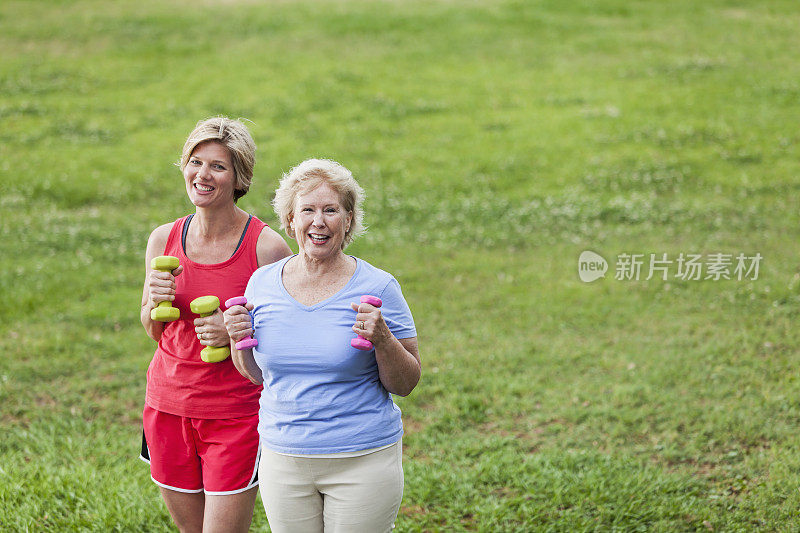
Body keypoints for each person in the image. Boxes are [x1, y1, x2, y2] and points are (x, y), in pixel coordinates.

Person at [223, 158, 421, 533]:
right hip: (284, 457)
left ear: (348, 220)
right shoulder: (261, 284)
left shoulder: (378, 287)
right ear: (290, 220)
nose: (319, 221)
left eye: (331, 210)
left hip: (362, 459)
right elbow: (254, 375)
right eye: (308, 210)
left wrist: (384, 340)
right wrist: (238, 340)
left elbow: (407, 383)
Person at [139, 116, 292, 533]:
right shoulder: (163, 239)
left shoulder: (266, 247)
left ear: (238, 176)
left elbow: (285, 340)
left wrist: (236, 334)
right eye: (195, 161)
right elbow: (154, 331)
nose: (202, 175)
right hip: (167, 407)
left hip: (234, 414)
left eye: (218, 166)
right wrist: (154, 302)